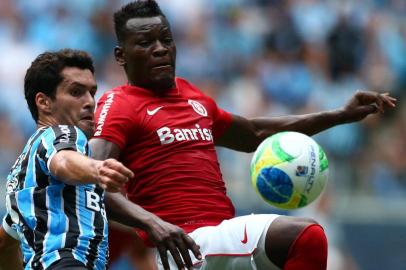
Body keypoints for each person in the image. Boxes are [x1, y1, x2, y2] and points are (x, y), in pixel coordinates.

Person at [90, 1, 397, 270]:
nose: (159, 48)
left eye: (165, 40)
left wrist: (341, 114)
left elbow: (254, 133)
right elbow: (94, 181)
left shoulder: (191, 96)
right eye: (145, 43)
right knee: (306, 237)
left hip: (219, 241)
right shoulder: (120, 104)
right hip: (185, 244)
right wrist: (152, 223)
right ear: (121, 55)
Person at [0, 49, 201, 270]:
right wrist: (97, 168)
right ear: (44, 102)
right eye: (76, 92)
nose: (90, 102)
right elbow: (62, 161)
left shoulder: (23, 176)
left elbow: (5, 244)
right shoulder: (62, 133)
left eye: (92, 93)